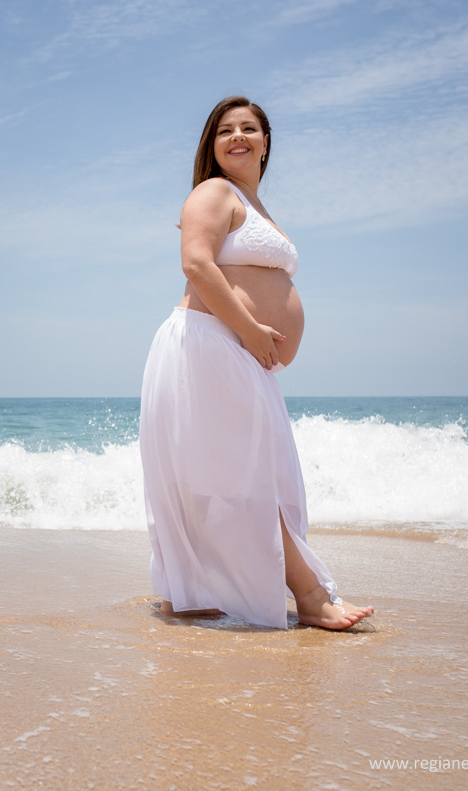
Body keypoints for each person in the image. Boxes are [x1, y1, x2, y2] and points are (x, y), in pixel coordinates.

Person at [139, 96, 374, 630]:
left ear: (267, 143)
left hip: (234, 352)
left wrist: (253, 337)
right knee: (248, 479)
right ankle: (310, 596)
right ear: (212, 144)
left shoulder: (254, 204)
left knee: (239, 475)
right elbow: (196, 264)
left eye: (249, 128)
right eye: (226, 130)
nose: (238, 137)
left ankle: (189, 592)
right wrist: (249, 330)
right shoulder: (213, 192)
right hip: (208, 345)